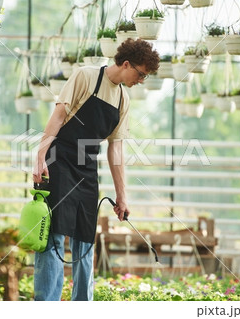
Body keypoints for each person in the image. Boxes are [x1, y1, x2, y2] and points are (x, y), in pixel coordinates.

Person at [32, 38, 160, 301]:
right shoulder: (85, 76)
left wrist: (122, 195)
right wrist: (40, 156)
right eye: (141, 74)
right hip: (60, 159)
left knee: (85, 239)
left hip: (87, 167)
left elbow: (116, 149)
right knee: (53, 236)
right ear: (126, 64)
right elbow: (58, 116)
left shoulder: (123, 99)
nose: (141, 80)